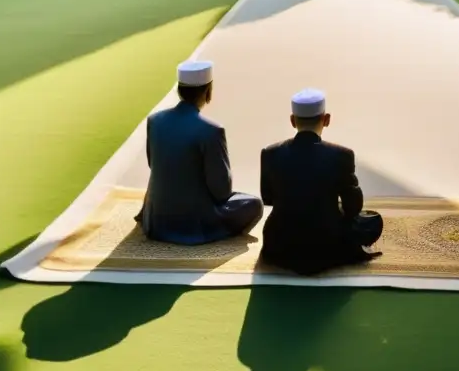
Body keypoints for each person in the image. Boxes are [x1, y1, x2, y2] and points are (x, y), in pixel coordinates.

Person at [136, 60, 263, 245]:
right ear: (207, 91)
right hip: (193, 222)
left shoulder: (155, 120)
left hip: (156, 220)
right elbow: (221, 191)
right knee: (253, 204)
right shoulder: (211, 130)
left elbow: (152, 163)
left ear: (179, 90)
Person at [259, 88, 383, 275]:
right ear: (326, 119)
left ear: (293, 120)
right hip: (327, 246)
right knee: (372, 220)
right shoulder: (341, 155)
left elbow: (268, 198)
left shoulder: (271, 153)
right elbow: (353, 207)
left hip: (280, 245)